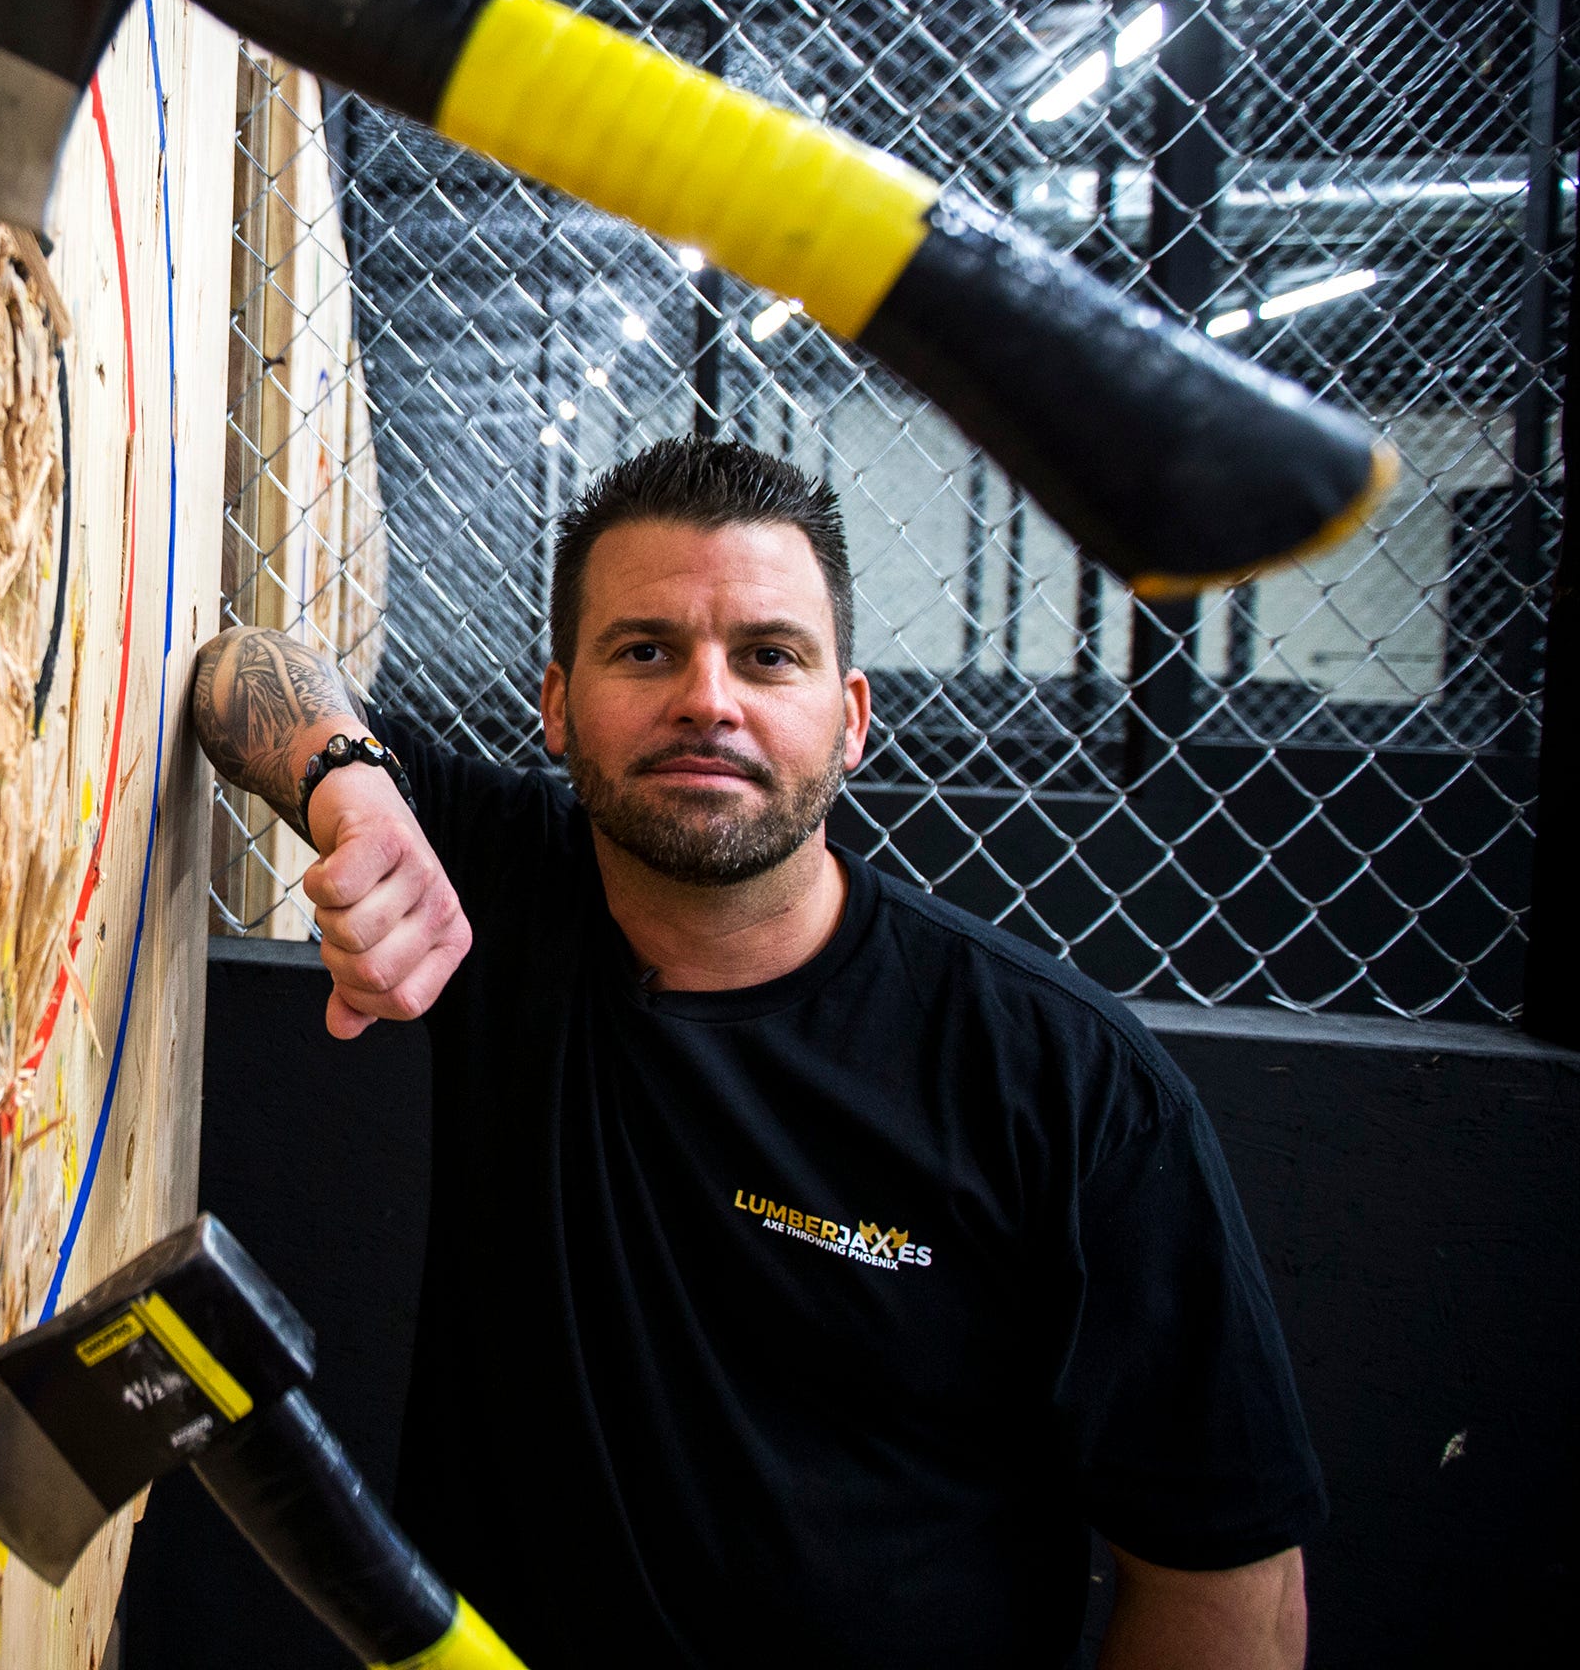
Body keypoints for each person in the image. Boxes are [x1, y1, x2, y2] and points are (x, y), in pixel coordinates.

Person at [187, 438, 1324, 1669]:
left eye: (769, 654)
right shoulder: (504, 886)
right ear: (559, 705)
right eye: (647, 649)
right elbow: (236, 670)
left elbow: (1228, 1579)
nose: (708, 699)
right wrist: (351, 788)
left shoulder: (1066, 1082)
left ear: (850, 717)